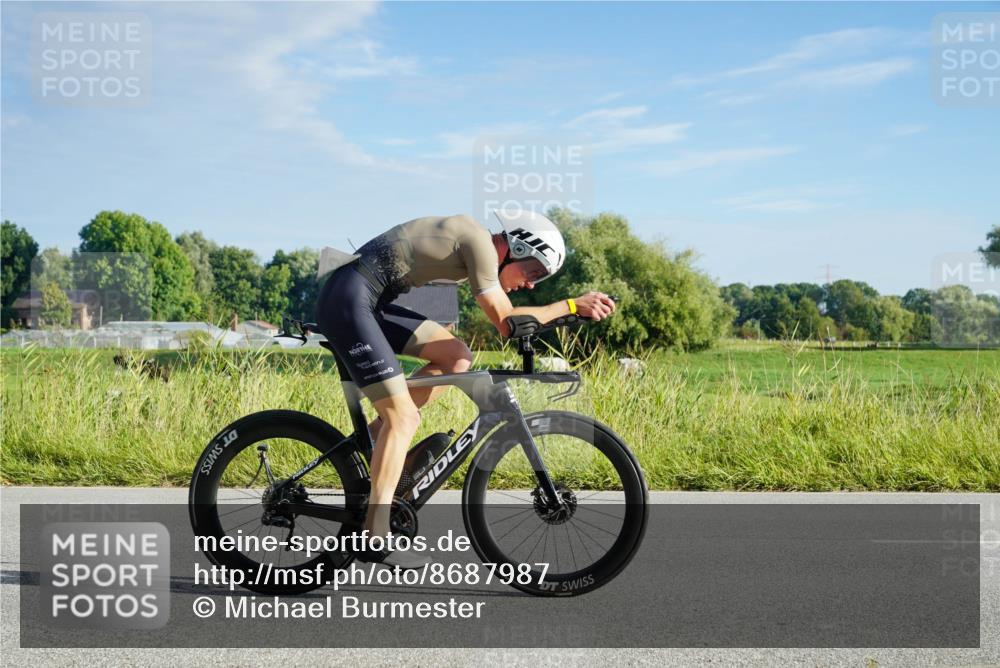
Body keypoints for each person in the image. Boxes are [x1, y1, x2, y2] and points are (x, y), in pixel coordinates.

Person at [314, 210, 616, 567]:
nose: (532, 284)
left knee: (456, 356)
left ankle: (378, 441)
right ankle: (375, 535)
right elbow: (507, 322)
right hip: (349, 299)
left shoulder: (478, 249)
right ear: (517, 247)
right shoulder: (479, 243)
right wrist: (568, 305)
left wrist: (566, 315)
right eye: (534, 272)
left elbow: (516, 323)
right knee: (405, 419)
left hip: (369, 300)